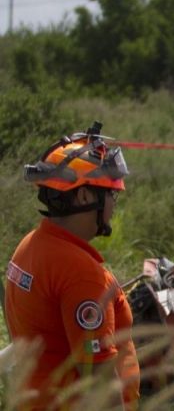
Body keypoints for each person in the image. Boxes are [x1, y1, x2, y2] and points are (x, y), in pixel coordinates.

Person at [5, 122, 140, 410]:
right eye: (110, 194)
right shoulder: (81, 274)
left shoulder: (30, 245)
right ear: (83, 196)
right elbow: (100, 384)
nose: (113, 205)